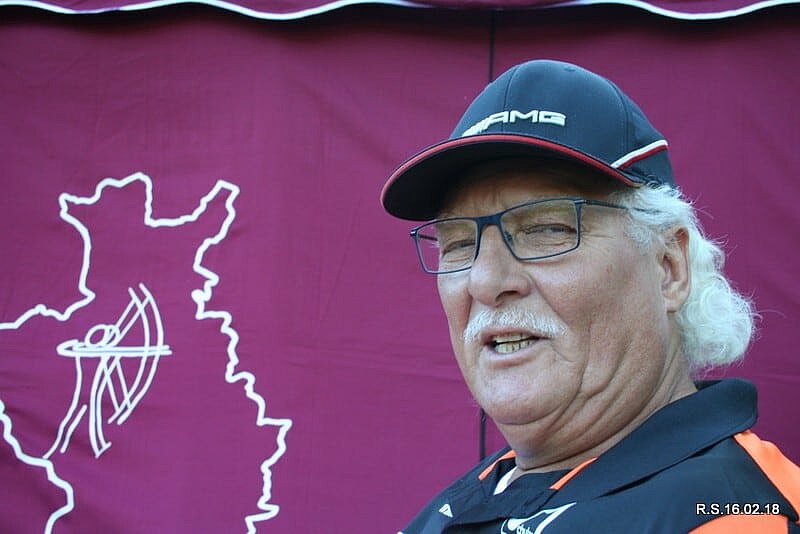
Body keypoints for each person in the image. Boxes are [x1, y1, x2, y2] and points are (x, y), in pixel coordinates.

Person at [380, 59, 800, 533]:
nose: (485, 281)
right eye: (459, 243)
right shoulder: (479, 494)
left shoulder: (737, 515)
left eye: (546, 229)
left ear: (668, 268)